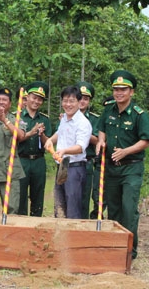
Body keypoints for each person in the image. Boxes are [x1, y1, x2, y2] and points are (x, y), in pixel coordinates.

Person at [95, 70, 149, 259]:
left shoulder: (139, 114)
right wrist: (101, 142)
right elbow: (101, 129)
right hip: (111, 167)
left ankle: (129, 249)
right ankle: (114, 245)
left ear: (131, 92)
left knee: (128, 207)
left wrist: (125, 151)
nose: (119, 93)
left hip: (131, 167)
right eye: (116, 89)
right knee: (114, 208)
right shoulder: (108, 110)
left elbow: (145, 141)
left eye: (123, 89)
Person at [46, 86, 92, 219]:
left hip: (74, 169)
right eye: (65, 101)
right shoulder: (64, 119)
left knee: (73, 208)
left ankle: (74, 237)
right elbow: (59, 134)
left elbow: (81, 147)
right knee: (60, 206)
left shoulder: (83, 123)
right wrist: (50, 140)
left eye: (71, 101)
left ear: (79, 102)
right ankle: (60, 236)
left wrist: (65, 151)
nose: (68, 104)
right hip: (61, 167)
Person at [17, 81, 52, 217]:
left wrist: (41, 134)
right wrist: (30, 132)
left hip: (38, 161)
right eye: (34, 97)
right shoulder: (18, 116)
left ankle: (36, 224)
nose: (36, 101)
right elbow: (15, 139)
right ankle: (21, 225)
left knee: (38, 195)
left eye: (40, 99)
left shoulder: (45, 119)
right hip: (22, 160)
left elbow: (48, 144)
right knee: (20, 196)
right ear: (27, 97)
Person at [75, 81, 101, 219]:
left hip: (87, 162)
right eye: (80, 98)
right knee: (68, 196)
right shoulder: (66, 117)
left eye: (85, 99)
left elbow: (98, 140)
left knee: (84, 197)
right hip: (69, 161)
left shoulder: (95, 119)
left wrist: (83, 131)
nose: (82, 101)